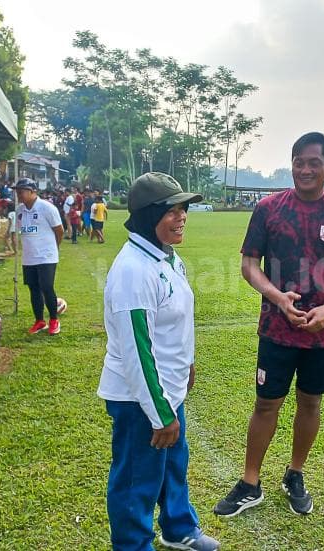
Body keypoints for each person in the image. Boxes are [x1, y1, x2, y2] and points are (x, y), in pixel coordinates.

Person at [214, 132, 324, 517]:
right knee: (266, 403)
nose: (304, 169)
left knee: (311, 402)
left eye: (313, 162)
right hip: (277, 328)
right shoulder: (268, 209)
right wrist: (277, 297)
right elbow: (250, 265)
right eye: (298, 161)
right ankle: (250, 482)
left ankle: (295, 474)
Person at [98, 172, 219, 551]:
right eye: (173, 210)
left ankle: (178, 527)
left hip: (168, 389)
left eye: (184, 209)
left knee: (172, 465)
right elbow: (137, 349)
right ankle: (133, 545)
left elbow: (175, 321)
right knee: (137, 479)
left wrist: (188, 365)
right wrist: (160, 412)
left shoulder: (165, 256)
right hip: (141, 398)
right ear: (150, 214)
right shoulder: (134, 271)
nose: (182, 216)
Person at [14, 178, 64, 335]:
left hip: (46, 256)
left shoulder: (47, 208)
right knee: (33, 288)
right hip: (29, 256)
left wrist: (54, 247)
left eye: (21, 191)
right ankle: (39, 321)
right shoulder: (19, 210)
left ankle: (54, 320)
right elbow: (18, 230)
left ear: (32, 191)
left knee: (47, 287)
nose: (19, 195)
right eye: (17, 192)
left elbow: (59, 230)